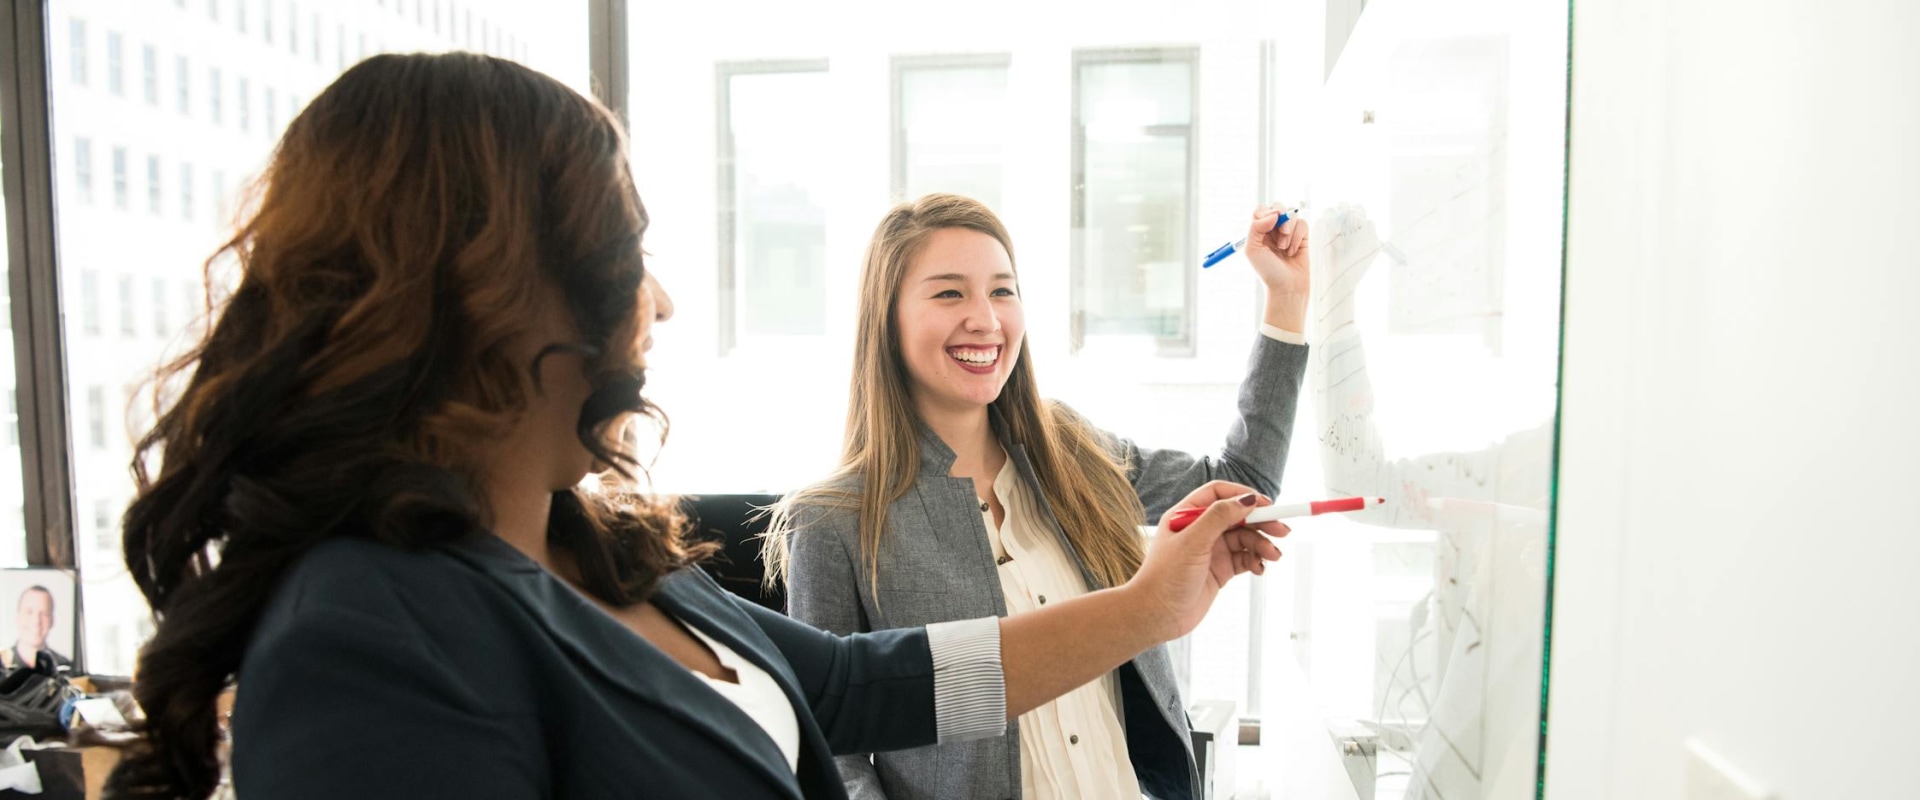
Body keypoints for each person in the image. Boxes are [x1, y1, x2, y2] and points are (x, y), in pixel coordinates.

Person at [101, 54, 1287, 800]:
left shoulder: (599, 544)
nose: (658, 299)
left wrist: (1147, 607)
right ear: (492, 291)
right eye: (628, 256)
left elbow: (854, 683)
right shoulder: (366, 633)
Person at [765, 193, 1310, 800]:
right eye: (949, 293)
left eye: (1002, 290)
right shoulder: (833, 520)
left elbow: (1240, 480)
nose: (985, 319)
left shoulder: (1069, 453)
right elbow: (826, 749)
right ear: (886, 317)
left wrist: (1286, 299)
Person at [2, 585, 71, 671]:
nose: (36, 621)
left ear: (52, 620)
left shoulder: (66, 667)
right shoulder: (2, 663)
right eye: (29, 612)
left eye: (44, 614)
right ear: (17, 617)